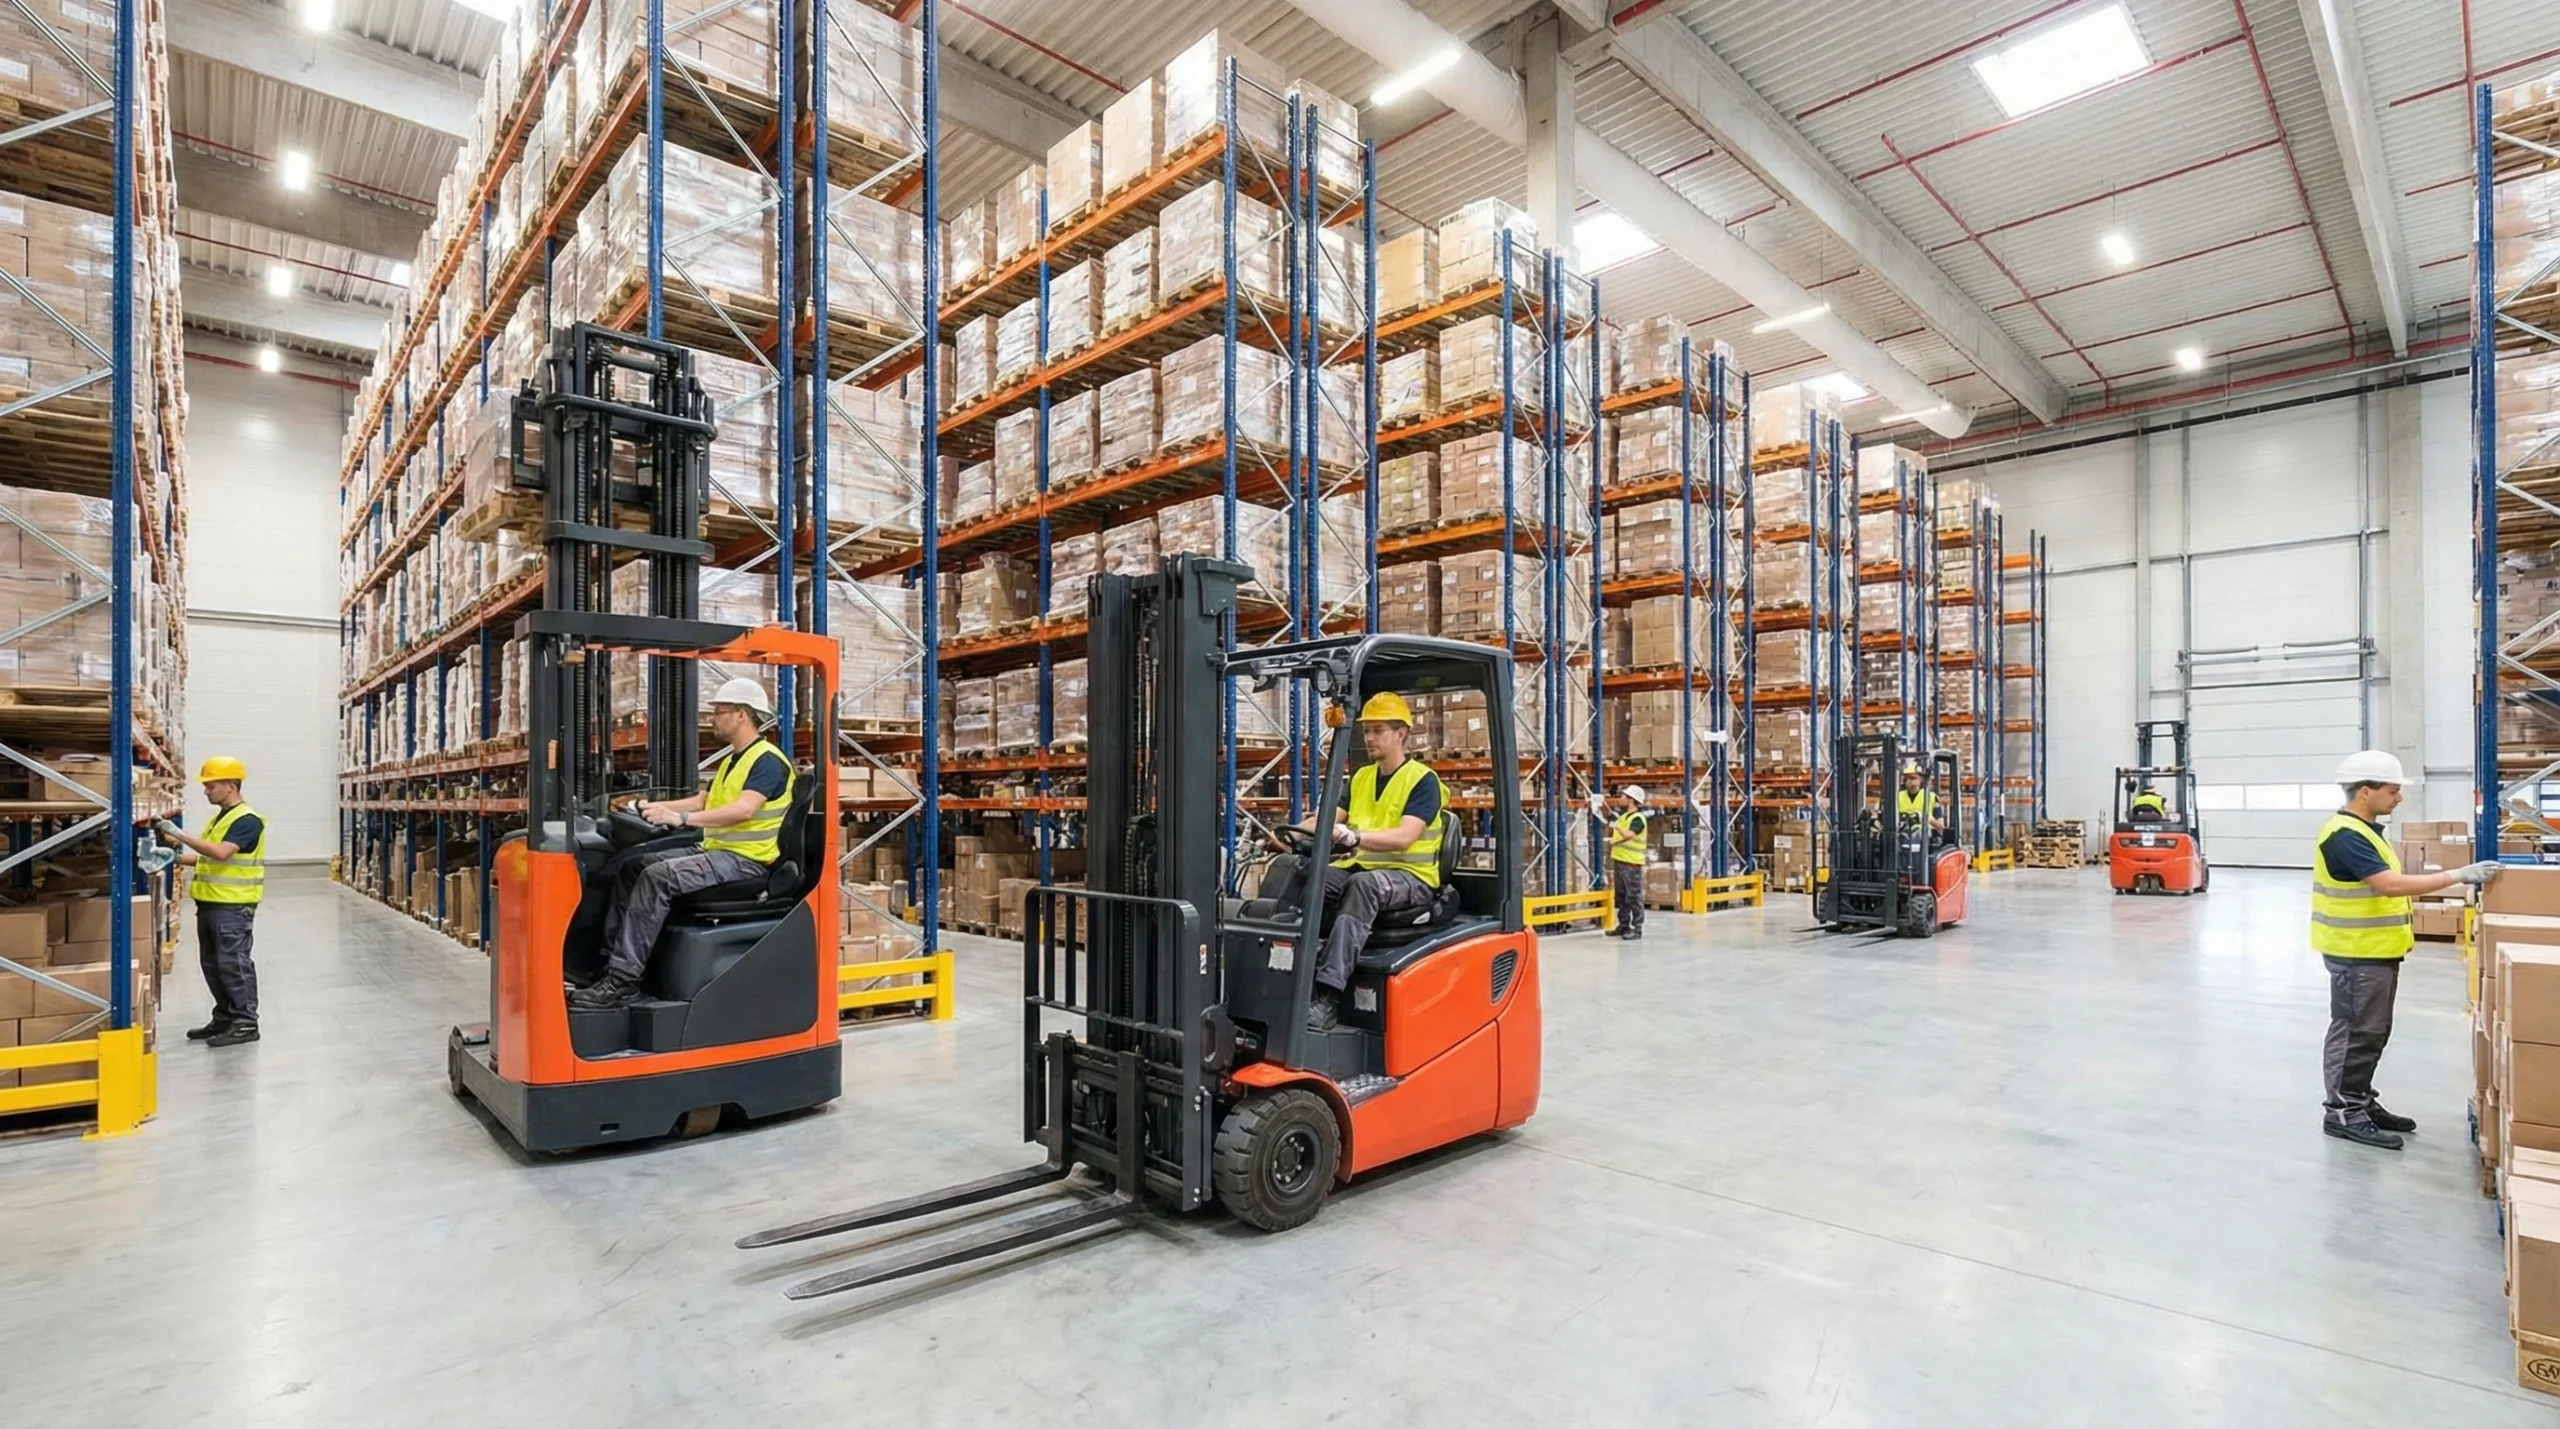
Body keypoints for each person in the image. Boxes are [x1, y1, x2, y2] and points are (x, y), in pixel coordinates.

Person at [570, 677, 796, 1010]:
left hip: (746, 861)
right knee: (633, 866)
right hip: (717, 851)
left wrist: (682, 821)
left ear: (742, 715)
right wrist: (654, 807)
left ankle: (622, 981)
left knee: (657, 877)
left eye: (720, 711)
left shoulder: (767, 760)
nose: (713, 718)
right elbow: (705, 800)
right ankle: (607, 966)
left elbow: (743, 809)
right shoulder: (735, 759)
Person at [2314, 750, 2502, 1149]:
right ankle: (2343, 1111)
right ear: (2366, 791)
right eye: (2393, 791)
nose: (2399, 798)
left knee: (2373, 1032)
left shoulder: (2366, 830)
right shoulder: (2344, 835)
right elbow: (2390, 885)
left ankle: (2360, 1100)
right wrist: (2459, 876)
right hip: (2356, 953)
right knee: (2356, 1033)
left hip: (2375, 951)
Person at [1260, 691, 1444, 1033]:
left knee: (1363, 886)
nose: (1369, 738)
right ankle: (1271, 974)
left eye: (1377, 730)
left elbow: (1405, 836)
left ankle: (1327, 996)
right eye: (1367, 731)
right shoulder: (1361, 778)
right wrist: (1286, 835)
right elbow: (1326, 819)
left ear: (1400, 733)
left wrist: (1353, 837)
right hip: (1365, 869)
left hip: (1412, 879)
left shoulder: (1423, 780)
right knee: (1303, 873)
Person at [154, 756, 264, 1047]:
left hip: (232, 907)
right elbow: (207, 858)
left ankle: (245, 1022)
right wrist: (175, 857)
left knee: (233, 963)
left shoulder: (247, 820)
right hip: (210, 903)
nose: (206, 791)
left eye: (210, 785)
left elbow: (221, 853)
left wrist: (178, 835)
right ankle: (225, 1016)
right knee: (213, 965)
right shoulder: (220, 818)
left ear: (230, 785)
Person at [1605, 786, 1649, 940]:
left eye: (1624, 796)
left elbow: (1629, 835)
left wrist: (1616, 826)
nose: (1621, 798)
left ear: (1632, 799)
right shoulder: (1623, 817)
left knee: (1633, 896)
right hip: (1620, 860)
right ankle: (1624, 925)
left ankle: (1637, 928)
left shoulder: (1638, 819)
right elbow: (1621, 837)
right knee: (1622, 896)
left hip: (1632, 863)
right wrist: (1612, 840)